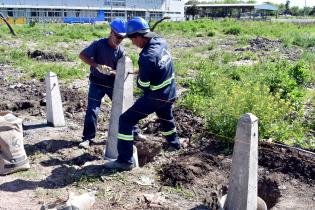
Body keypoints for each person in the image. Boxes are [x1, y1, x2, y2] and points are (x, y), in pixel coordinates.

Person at [105, 17, 180, 170]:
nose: (133, 43)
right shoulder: (160, 42)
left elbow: (143, 85)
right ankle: (174, 144)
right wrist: (143, 71)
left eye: (132, 39)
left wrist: (141, 76)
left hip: (157, 95)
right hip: (170, 91)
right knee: (166, 116)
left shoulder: (146, 57)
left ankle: (125, 161)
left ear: (139, 36)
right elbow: (159, 66)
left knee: (125, 121)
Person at [78, 18, 127, 148]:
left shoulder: (121, 52)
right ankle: (88, 138)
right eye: (117, 36)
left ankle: (134, 132)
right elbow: (82, 55)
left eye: (122, 38)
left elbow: (121, 71)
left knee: (122, 107)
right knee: (92, 110)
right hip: (96, 82)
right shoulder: (99, 44)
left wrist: (112, 72)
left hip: (111, 84)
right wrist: (97, 66)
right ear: (111, 32)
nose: (119, 39)